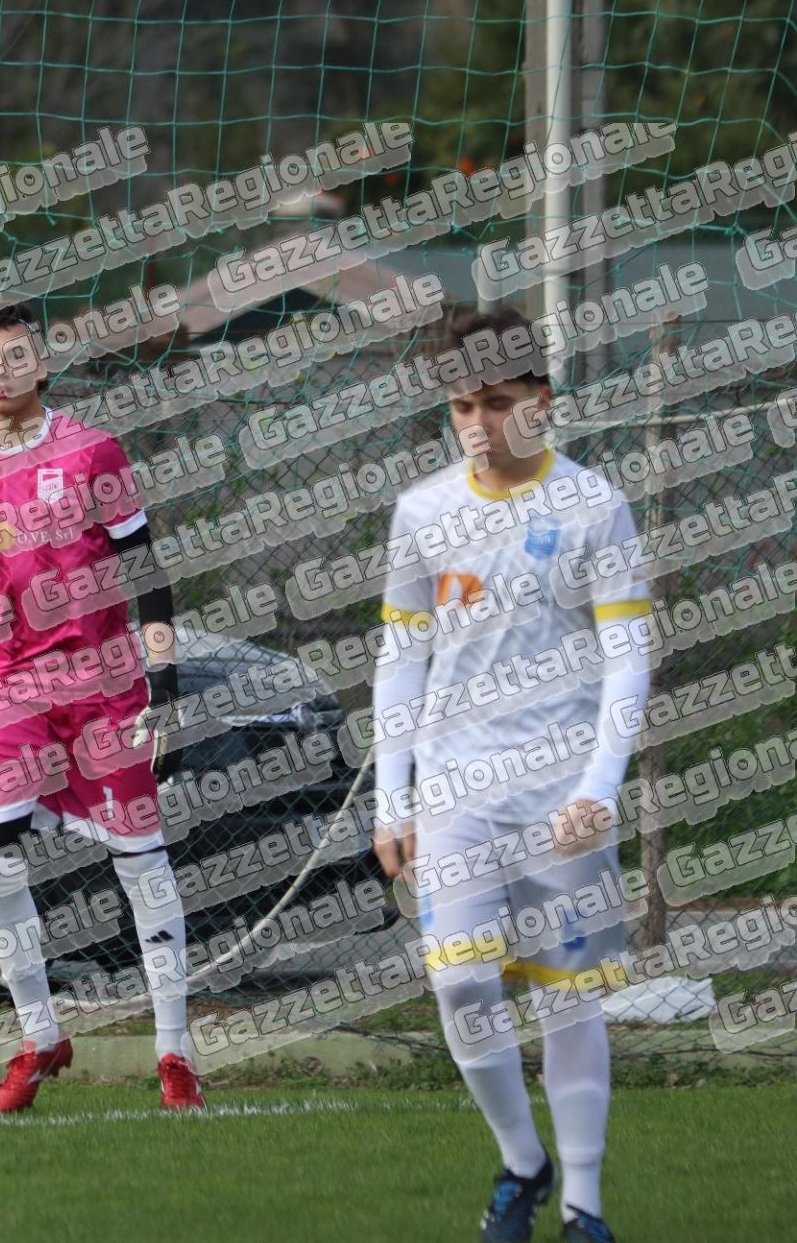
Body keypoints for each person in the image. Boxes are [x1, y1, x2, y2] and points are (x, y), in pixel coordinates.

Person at [371, 307, 652, 1243]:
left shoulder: (594, 505)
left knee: (567, 998)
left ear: (543, 400)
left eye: (496, 403)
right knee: (460, 987)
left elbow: (629, 657)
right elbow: (401, 660)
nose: (478, 424)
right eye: (462, 407)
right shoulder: (422, 512)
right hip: (455, 794)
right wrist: (393, 798)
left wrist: (597, 789)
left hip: (562, 799)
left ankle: (583, 1208)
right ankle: (522, 1161)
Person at [0, 302, 202, 1115]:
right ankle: (39, 1037)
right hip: (14, 684)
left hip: (104, 684)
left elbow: (146, 569)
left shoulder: (93, 451)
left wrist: (165, 683)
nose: (2, 370)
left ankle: (175, 1055)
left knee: (141, 864)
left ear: (42, 365)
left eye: (17, 355)